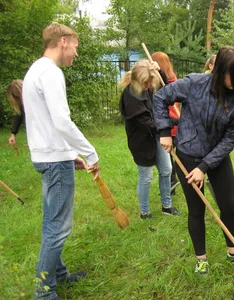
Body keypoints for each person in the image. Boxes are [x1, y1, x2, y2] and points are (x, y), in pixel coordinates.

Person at [153, 46, 234, 277]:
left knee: (229, 205)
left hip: (217, 158)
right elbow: (160, 97)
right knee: (196, 210)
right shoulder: (194, 84)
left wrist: (204, 167)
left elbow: (230, 139)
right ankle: (201, 259)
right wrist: (165, 131)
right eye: (233, 75)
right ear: (219, 70)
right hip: (187, 155)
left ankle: (233, 251)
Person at [22, 23, 100, 300]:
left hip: (49, 157)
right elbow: (62, 122)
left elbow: (47, 124)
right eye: (76, 46)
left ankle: (58, 275)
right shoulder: (51, 73)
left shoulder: (35, 70)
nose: (76, 54)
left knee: (51, 224)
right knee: (58, 227)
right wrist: (90, 153)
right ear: (64, 41)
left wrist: (69, 155)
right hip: (54, 163)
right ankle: (44, 292)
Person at [119, 60, 181, 220]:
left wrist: (159, 72)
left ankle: (167, 206)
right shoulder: (130, 96)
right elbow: (147, 123)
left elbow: (164, 89)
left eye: (149, 82)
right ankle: (144, 212)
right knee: (146, 176)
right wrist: (172, 123)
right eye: (146, 82)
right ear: (139, 81)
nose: (149, 85)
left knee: (167, 170)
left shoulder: (146, 88)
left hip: (157, 135)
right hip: (141, 141)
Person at [151, 52, 180, 191]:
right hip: (173, 122)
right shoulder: (173, 78)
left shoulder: (169, 81)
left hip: (169, 123)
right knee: (172, 156)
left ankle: (172, 183)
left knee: (171, 157)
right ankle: (172, 184)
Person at [7, 79, 24, 146]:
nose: (20, 98)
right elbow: (19, 115)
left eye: (20, 94)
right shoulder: (22, 104)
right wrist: (13, 134)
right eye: (17, 96)